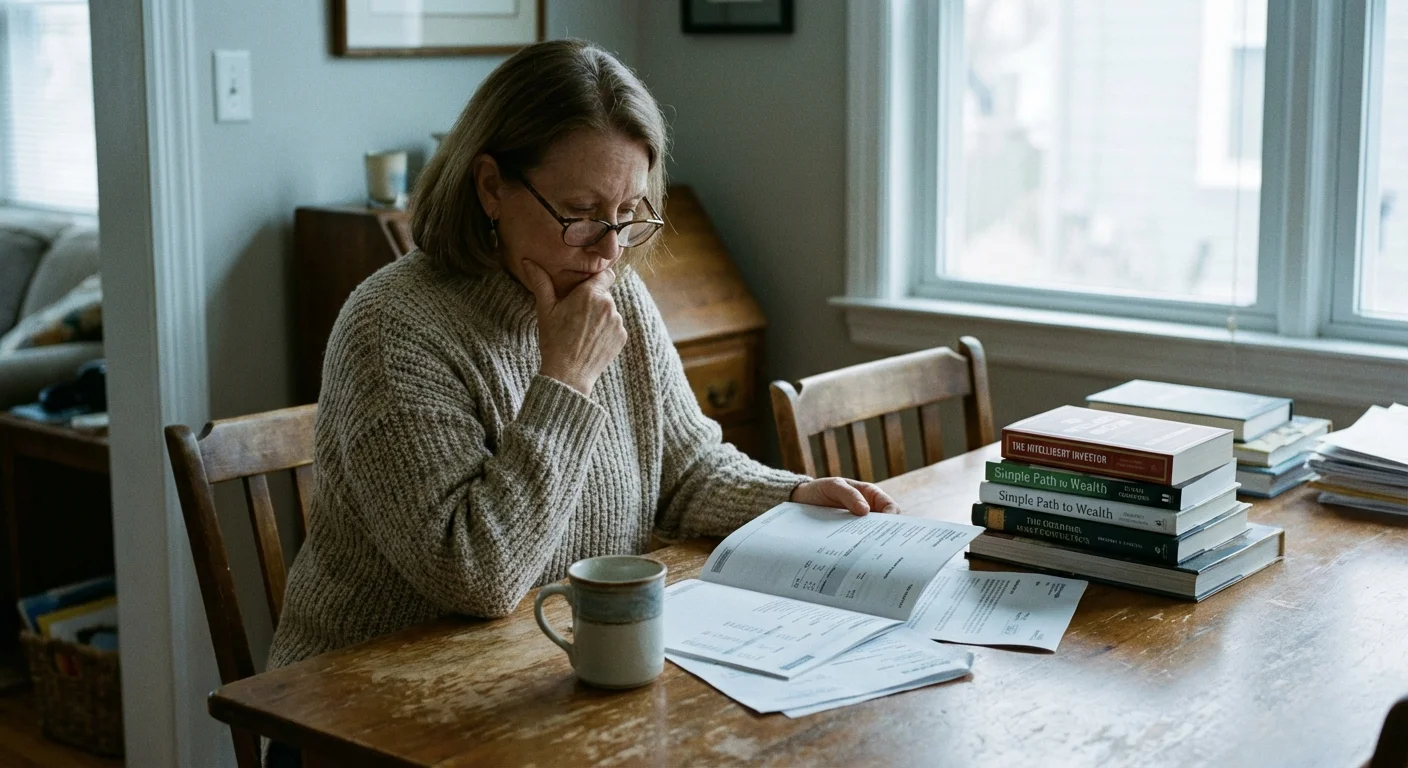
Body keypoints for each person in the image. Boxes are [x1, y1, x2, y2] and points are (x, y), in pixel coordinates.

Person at [267, 38, 898, 688]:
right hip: (362, 710)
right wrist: (565, 378)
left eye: (628, 215)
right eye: (581, 213)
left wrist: (789, 496)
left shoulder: (613, 290)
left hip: (545, 675)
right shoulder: (393, 326)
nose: (610, 250)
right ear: (491, 187)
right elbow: (479, 576)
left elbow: (683, 469)